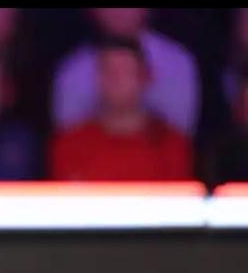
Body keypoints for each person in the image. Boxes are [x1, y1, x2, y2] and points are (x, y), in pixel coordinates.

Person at [50, 36, 194, 181]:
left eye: (125, 71)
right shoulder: (70, 145)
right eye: (108, 70)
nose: (115, 79)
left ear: (145, 78)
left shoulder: (172, 146)